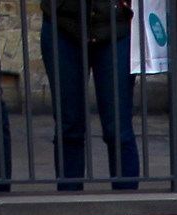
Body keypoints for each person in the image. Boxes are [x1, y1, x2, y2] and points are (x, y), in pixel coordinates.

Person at [42, 0, 143, 190]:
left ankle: (127, 209)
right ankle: (70, 208)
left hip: (115, 25)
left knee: (118, 129)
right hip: (62, 23)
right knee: (69, 127)